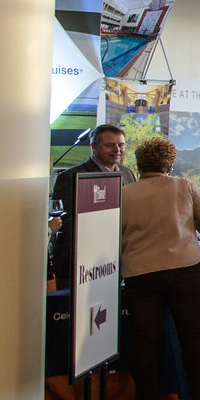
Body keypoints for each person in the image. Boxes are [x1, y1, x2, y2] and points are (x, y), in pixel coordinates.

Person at [118, 137, 200, 400]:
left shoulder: (124, 193)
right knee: (193, 338)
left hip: (139, 272)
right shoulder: (183, 185)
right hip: (182, 269)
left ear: (138, 164)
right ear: (170, 163)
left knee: (145, 343)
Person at [50, 122, 127, 286]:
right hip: (81, 267)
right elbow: (67, 223)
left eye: (121, 145)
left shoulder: (126, 173)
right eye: (109, 145)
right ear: (93, 146)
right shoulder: (71, 177)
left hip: (114, 263)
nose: (117, 150)